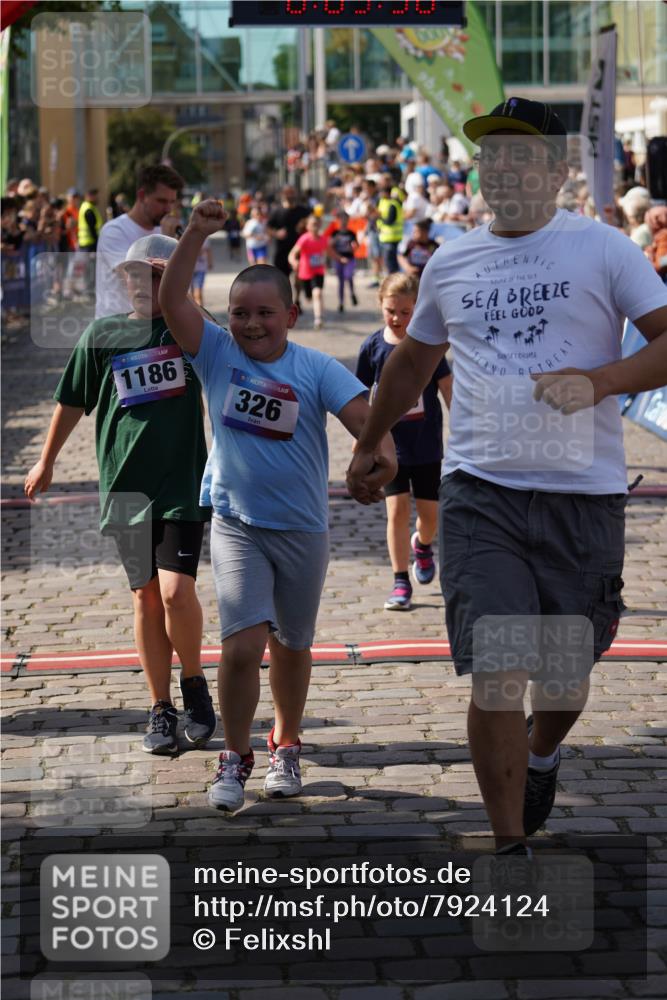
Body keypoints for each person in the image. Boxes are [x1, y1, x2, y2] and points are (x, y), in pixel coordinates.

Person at [347, 97, 667, 856]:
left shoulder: (602, 249)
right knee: (497, 667)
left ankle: (541, 751)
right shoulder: (451, 259)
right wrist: (371, 437)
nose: (503, 167)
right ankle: (508, 844)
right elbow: (413, 362)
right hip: (478, 492)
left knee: (563, 678)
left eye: (521, 154)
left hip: (580, 495)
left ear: (555, 170)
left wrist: (599, 379)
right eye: (492, 155)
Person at [157, 199, 396, 812]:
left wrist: (377, 459)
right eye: (240, 313)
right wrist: (198, 232)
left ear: (291, 314)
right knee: (241, 646)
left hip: (303, 529)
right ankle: (233, 757)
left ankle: (285, 743)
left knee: (292, 646)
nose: (252, 324)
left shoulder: (316, 367)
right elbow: (172, 300)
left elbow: (368, 422)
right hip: (238, 524)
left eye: (265, 313)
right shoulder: (214, 352)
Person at [24, 234, 216, 756]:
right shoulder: (102, 334)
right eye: (133, 275)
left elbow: (231, 366)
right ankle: (160, 706)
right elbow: (70, 401)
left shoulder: (193, 331)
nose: (140, 284)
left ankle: (194, 683)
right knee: (145, 598)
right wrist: (47, 460)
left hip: (181, 483)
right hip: (125, 488)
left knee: (177, 592)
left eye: (154, 275)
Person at [356, 273, 451, 611]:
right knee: (395, 511)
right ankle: (400, 580)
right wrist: (364, 441)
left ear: (417, 310)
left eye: (405, 312)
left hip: (426, 446)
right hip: (389, 448)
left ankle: (422, 546)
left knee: (430, 515)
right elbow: (359, 397)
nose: (396, 319)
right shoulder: (372, 348)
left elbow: (448, 389)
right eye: (390, 311)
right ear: (381, 305)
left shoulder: (427, 347)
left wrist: (462, 430)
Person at [95, 163, 184, 319]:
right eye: (162, 201)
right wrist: (168, 242)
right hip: (116, 327)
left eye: (172, 202)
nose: (168, 209)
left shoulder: (160, 229)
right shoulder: (115, 231)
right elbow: (135, 277)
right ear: (142, 196)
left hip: (149, 326)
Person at [288, 214, 329, 329]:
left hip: (318, 271)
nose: (315, 227)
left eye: (317, 224)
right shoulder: (304, 239)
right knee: (309, 297)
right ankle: (305, 301)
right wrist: (294, 262)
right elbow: (292, 254)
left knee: (318, 293)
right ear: (307, 227)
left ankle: (318, 319)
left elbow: (330, 251)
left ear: (320, 225)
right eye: (313, 224)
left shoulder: (323, 239)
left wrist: (340, 258)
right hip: (305, 273)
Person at [266, 185, 309, 278]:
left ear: (296, 194)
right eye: (287, 193)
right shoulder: (276, 211)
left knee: (299, 278)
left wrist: (304, 225)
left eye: (292, 192)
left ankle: (297, 293)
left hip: (299, 250)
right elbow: (267, 228)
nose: (290, 195)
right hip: (282, 251)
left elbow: (313, 224)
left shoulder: (304, 211)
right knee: (282, 280)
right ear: (282, 194)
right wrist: (276, 233)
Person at [328, 210, 359, 313]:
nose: (344, 221)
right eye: (341, 219)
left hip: (349, 259)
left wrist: (353, 247)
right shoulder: (335, 233)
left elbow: (356, 245)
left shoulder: (351, 233)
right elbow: (330, 246)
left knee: (348, 276)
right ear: (338, 220)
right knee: (341, 281)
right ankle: (341, 302)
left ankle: (352, 293)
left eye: (346, 219)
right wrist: (338, 257)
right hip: (338, 259)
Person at [377, 176, 404, 275]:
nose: (380, 195)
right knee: (389, 263)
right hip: (385, 238)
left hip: (392, 238)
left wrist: (379, 217)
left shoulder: (393, 204)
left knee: (392, 264)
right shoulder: (384, 202)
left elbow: (389, 221)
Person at [190, 236, 212, 308]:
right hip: (189, 269)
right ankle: (193, 311)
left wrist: (210, 262)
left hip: (201, 268)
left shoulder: (205, 237)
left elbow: (208, 250)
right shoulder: (188, 236)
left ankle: (201, 313)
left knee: (198, 292)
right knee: (191, 293)